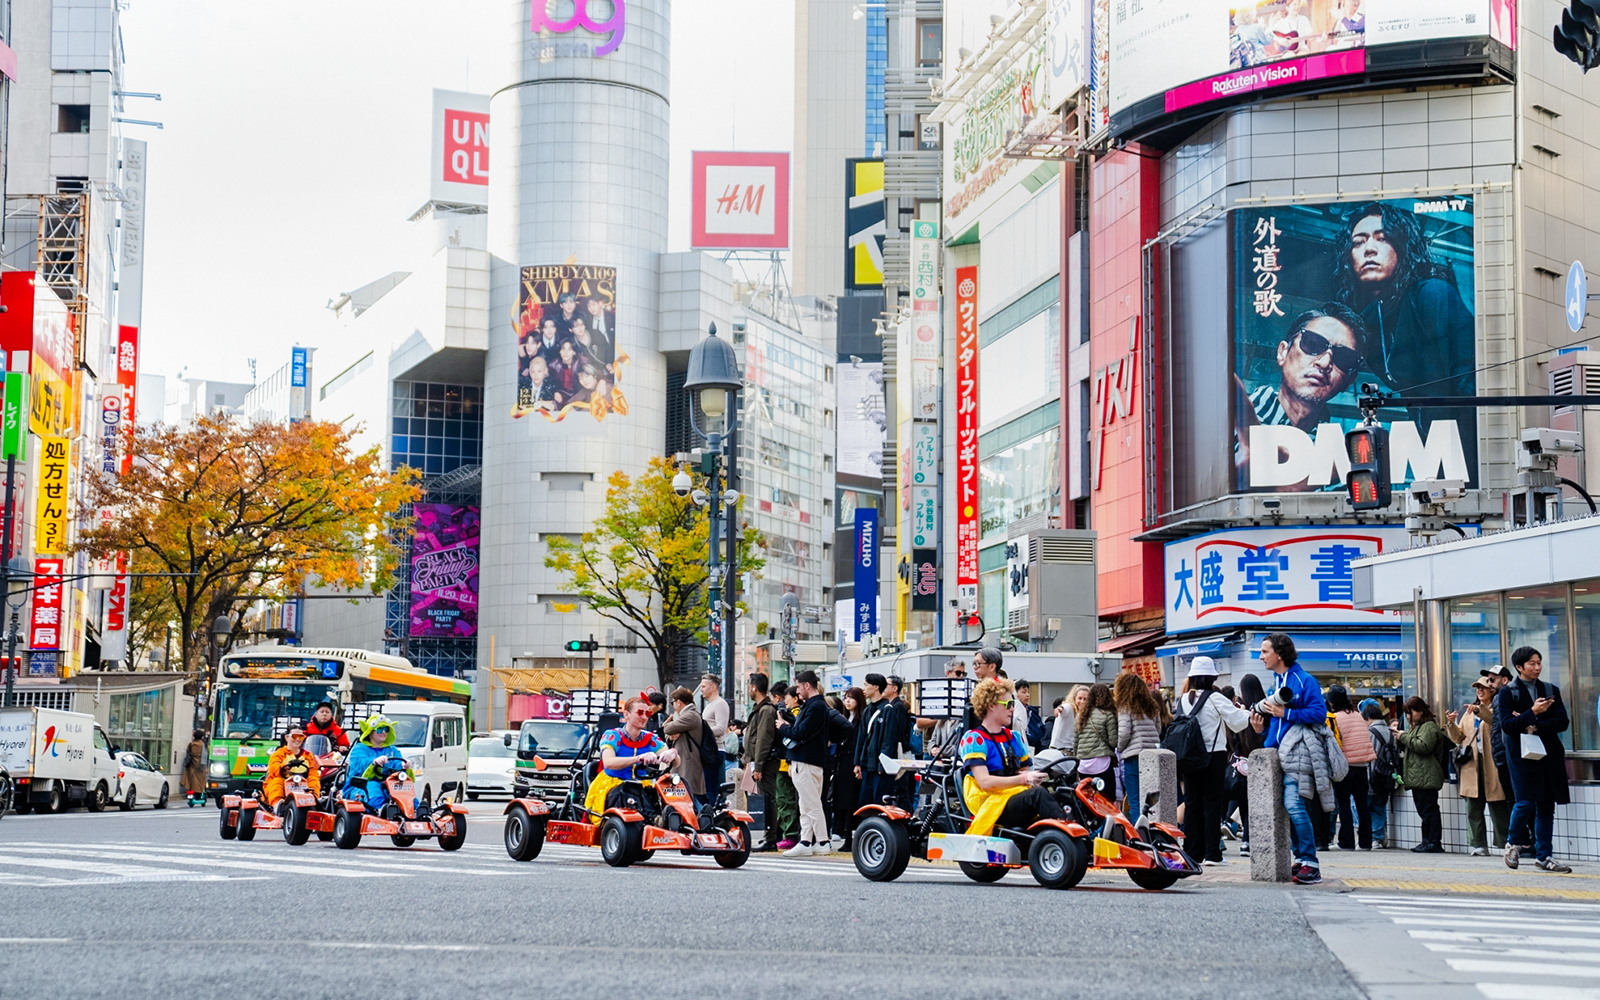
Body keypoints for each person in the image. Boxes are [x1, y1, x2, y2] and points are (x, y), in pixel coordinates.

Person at [1333, 200, 1477, 477]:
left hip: (1463, 447)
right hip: (1430, 447)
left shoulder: (1433, 294)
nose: (1369, 249)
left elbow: (1467, 381)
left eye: (1382, 238)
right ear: (1348, 258)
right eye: (1358, 242)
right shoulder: (1368, 322)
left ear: (1401, 246)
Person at [1234, 305, 1366, 483]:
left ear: (1350, 380)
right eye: (1312, 344)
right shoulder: (1230, 424)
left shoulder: (1338, 459)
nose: (1325, 362)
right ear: (1282, 352)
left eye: (1343, 358)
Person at [1255, 633, 1331, 885]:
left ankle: (1311, 862)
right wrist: (1261, 730)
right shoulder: (1275, 682)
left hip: (1298, 753)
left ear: (1279, 653)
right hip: (1276, 754)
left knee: (1295, 805)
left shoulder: (1303, 680)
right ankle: (1300, 859)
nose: (1261, 656)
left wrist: (1286, 712)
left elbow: (1320, 713)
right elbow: (1276, 723)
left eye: (1265, 651)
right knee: (1289, 807)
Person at [958, 678, 1068, 836]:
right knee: (1037, 795)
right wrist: (1024, 779)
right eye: (1008, 705)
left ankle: (1069, 835)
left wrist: (1033, 778)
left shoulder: (1014, 737)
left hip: (1012, 797)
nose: (1012, 709)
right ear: (991, 706)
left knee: (1064, 793)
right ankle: (1066, 838)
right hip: (991, 802)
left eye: (1013, 704)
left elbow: (1025, 772)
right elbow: (985, 783)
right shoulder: (975, 739)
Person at [1496, 646, 1572, 872]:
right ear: (1519, 667)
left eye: (1539, 662)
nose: (1537, 667)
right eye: (1532, 663)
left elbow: (1562, 722)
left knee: (1546, 806)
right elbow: (1508, 726)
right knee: (1525, 801)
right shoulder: (1508, 692)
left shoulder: (1550, 689)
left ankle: (1544, 856)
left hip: (1549, 755)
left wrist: (1532, 724)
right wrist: (1534, 711)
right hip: (1522, 756)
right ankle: (1512, 843)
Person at [1175, 657, 1252, 866]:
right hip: (1212, 757)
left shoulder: (1182, 699)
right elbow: (1237, 723)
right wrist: (1245, 710)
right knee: (1212, 804)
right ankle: (1212, 854)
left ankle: (1191, 852)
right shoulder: (1216, 698)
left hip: (1188, 758)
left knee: (1192, 804)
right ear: (1211, 678)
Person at [584, 696, 678, 823]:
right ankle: (655, 820)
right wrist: (638, 758)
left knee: (669, 786)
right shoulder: (613, 735)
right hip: (613, 786)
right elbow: (609, 762)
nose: (644, 717)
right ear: (626, 715)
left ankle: (687, 817)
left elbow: (676, 762)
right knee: (630, 787)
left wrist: (673, 753)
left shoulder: (651, 738)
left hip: (641, 785)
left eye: (647, 713)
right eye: (640, 712)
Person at [1445, 678, 1510, 856]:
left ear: (1492, 691)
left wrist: (1478, 711)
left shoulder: (1495, 709)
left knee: (1498, 806)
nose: (1480, 691)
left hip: (1491, 763)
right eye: (1477, 689)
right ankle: (1478, 844)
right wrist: (1451, 724)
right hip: (1471, 764)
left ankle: (1504, 842)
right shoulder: (1468, 713)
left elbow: (1492, 720)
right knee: (1473, 807)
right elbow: (1458, 738)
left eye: (1484, 688)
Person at [774, 671, 831, 856]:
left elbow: (800, 732)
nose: (797, 691)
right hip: (809, 760)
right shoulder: (816, 705)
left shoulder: (815, 706)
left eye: (798, 686)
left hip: (806, 760)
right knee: (806, 804)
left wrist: (783, 726)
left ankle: (822, 841)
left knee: (811, 803)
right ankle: (806, 841)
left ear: (807, 685)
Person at [1392, 696, 1447, 853]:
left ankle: (1434, 842)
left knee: (1429, 810)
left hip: (1427, 775)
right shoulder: (1416, 727)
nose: (1408, 716)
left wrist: (1403, 736)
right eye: (1406, 713)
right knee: (1424, 810)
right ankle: (1427, 840)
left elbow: (1423, 746)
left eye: (1410, 712)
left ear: (1420, 711)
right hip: (1420, 775)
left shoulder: (1429, 727)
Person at [1326, 686, 1374, 851]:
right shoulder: (1358, 716)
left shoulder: (1334, 718)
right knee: (1362, 805)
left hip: (1345, 766)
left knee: (1344, 803)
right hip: (1362, 765)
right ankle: (1366, 842)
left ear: (1331, 702)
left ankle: (1347, 841)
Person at [1227, 675, 1269, 855]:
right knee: (1262, 805)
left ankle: (1246, 842)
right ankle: (1257, 839)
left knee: (1244, 803)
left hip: (1244, 765)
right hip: (1264, 763)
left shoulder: (1242, 712)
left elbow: (1233, 739)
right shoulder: (1266, 708)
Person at [1113, 671, 1163, 818]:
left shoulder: (1125, 707)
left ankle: (1137, 836)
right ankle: (1150, 832)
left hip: (1133, 756)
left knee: (1135, 800)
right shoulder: (1151, 706)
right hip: (1152, 755)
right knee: (1149, 800)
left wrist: (1120, 749)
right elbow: (1158, 729)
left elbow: (1124, 733)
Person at [344, 715, 415, 816]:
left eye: (386, 729)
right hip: (360, 785)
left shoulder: (392, 750)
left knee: (405, 789)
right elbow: (360, 763)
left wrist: (404, 764)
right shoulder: (359, 749)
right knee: (374, 788)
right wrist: (373, 762)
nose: (383, 732)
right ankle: (379, 812)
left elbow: (396, 763)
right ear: (370, 732)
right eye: (379, 729)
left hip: (388, 784)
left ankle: (415, 811)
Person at [741, 673, 780, 851]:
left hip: (764, 762)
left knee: (767, 798)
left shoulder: (765, 710)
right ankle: (768, 836)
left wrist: (758, 765)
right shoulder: (761, 709)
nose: (749, 689)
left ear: (754, 687)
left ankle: (770, 837)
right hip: (758, 761)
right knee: (763, 798)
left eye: (749, 686)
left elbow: (764, 740)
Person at [854, 673, 901, 809]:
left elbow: (889, 740)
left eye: (866, 685)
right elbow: (861, 738)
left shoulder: (888, 710)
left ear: (875, 687)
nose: (864, 688)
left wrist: (882, 764)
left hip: (880, 767)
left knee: (880, 802)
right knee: (865, 803)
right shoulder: (867, 710)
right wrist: (857, 763)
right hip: (867, 764)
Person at [831, 687, 866, 851]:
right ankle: (844, 834)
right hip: (842, 763)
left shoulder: (861, 719)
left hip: (853, 763)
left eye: (851, 698)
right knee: (842, 800)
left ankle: (850, 837)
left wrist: (857, 762)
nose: (847, 701)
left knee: (851, 800)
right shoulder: (844, 719)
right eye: (845, 698)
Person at [661, 688, 708, 804]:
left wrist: (667, 724)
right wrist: (670, 737)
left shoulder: (690, 715)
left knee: (689, 793)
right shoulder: (687, 715)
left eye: (673, 703)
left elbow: (667, 728)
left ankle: (703, 817)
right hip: (684, 758)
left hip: (688, 760)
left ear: (679, 702)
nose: (673, 706)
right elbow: (670, 734)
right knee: (682, 792)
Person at [1073, 682, 1119, 797]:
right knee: (1106, 797)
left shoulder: (1080, 715)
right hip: (1102, 762)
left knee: (1087, 798)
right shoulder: (1108, 715)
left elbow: (1075, 742)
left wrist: (1077, 758)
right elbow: (1113, 742)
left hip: (1083, 764)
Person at [1361, 699, 1397, 848]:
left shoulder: (1369, 732)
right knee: (1380, 807)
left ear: (1368, 718)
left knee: (1366, 807)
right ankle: (1378, 837)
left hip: (1372, 775)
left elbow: (1368, 756)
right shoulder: (1391, 732)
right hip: (1387, 776)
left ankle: (1372, 837)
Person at [262, 727, 322, 808]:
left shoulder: (308, 755)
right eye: (294, 736)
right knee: (276, 782)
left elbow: (313, 771)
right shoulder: (278, 754)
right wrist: (286, 767)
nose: (298, 739)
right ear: (287, 737)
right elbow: (274, 768)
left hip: (302, 783)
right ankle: (277, 805)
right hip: (283, 781)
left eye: (301, 737)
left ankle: (313, 802)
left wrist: (311, 777)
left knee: (314, 780)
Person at [699, 673, 730, 796]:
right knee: (707, 788)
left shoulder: (720, 703)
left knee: (711, 789)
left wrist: (702, 731)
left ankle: (711, 813)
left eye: (703, 686)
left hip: (715, 751)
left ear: (713, 687)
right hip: (709, 750)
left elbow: (721, 729)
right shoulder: (711, 705)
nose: (701, 689)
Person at [1014, 680, 1047, 751]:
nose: (1027, 695)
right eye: (1023, 692)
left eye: (1028, 692)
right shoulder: (1011, 711)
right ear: (1015, 693)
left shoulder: (1033, 712)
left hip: (1034, 748)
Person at [181, 728, 208, 807]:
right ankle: (199, 794)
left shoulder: (191, 744)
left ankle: (191, 794)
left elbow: (188, 752)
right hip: (201, 766)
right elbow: (208, 754)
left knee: (191, 781)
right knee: (201, 782)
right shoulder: (204, 745)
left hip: (192, 766)